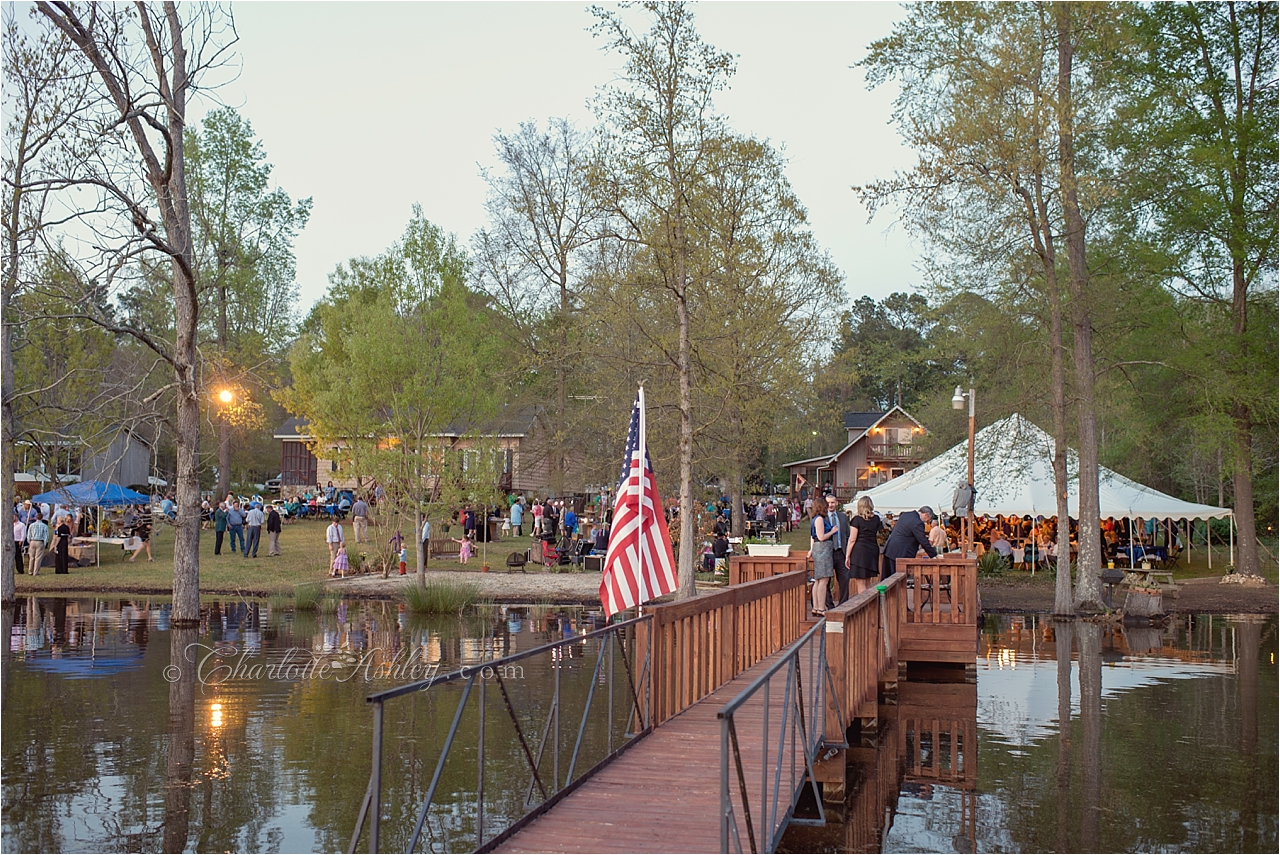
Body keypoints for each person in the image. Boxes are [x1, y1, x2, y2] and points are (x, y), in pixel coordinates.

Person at [882, 506, 937, 579]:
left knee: (887, 578)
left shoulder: (906, 515)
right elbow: (923, 540)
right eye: (927, 520)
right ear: (926, 515)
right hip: (900, 553)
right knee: (897, 579)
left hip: (890, 548)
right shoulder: (917, 522)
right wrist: (934, 555)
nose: (926, 523)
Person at [845, 496, 883, 598]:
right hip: (872, 550)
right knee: (868, 582)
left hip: (860, 551)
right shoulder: (876, 519)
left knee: (860, 582)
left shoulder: (856, 520)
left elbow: (852, 539)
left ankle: (863, 606)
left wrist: (847, 556)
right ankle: (870, 605)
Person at [807, 502, 835, 617]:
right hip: (823, 550)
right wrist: (833, 531)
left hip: (819, 550)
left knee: (818, 580)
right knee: (823, 580)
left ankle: (816, 607)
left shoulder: (814, 519)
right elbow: (821, 537)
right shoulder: (819, 519)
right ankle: (821, 607)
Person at [826, 495, 852, 605]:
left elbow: (847, 534)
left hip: (841, 552)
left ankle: (843, 605)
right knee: (826, 581)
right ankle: (830, 605)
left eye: (832, 502)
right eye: (828, 503)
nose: (830, 505)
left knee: (845, 580)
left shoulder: (842, 517)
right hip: (828, 553)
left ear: (836, 503)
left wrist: (848, 553)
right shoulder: (823, 518)